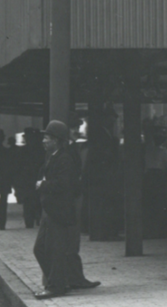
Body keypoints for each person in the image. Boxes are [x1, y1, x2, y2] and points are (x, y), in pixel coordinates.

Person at [32, 121, 99, 299]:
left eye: (47, 138)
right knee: (40, 249)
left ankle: (57, 285)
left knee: (54, 250)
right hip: (51, 209)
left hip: (59, 210)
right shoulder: (53, 156)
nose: (44, 141)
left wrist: (43, 185)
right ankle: (60, 281)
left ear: (56, 140)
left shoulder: (64, 159)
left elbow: (64, 184)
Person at [82, 106, 122, 241]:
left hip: (102, 175)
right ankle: (104, 232)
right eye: (112, 118)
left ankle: (105, 231)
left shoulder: (105, 133)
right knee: (103, 204)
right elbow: (101, 154)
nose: (113, 121)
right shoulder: (100, 134)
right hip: (102, 175)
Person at [15, 128, 45, 228]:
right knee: (36, 202)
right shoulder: (41, 151)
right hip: (33, 181)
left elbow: (18, 168)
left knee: (29, 203)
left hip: (28, 181)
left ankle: (30, 222)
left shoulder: (22, 151)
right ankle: (36, 219)